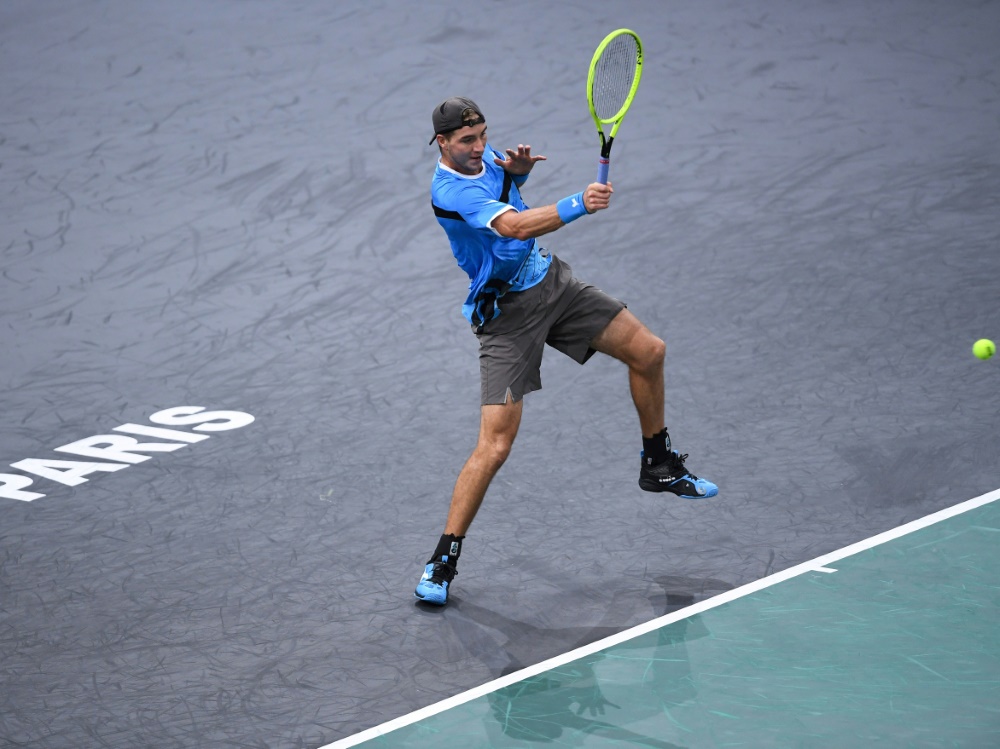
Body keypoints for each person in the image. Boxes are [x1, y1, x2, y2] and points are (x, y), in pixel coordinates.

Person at [415, 97, 717, 606]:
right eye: (467, 140)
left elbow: (505, 199)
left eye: (483, 135)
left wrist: (516, 175)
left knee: (649, 350)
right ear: (441, 143)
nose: (479, 147)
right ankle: (444, 557)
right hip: (507, 318)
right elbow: (510, 227)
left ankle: (658, 461)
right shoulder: (447, 189)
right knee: (495, 445)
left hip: (554, 286)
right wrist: (578, 203)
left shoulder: (484, 161)